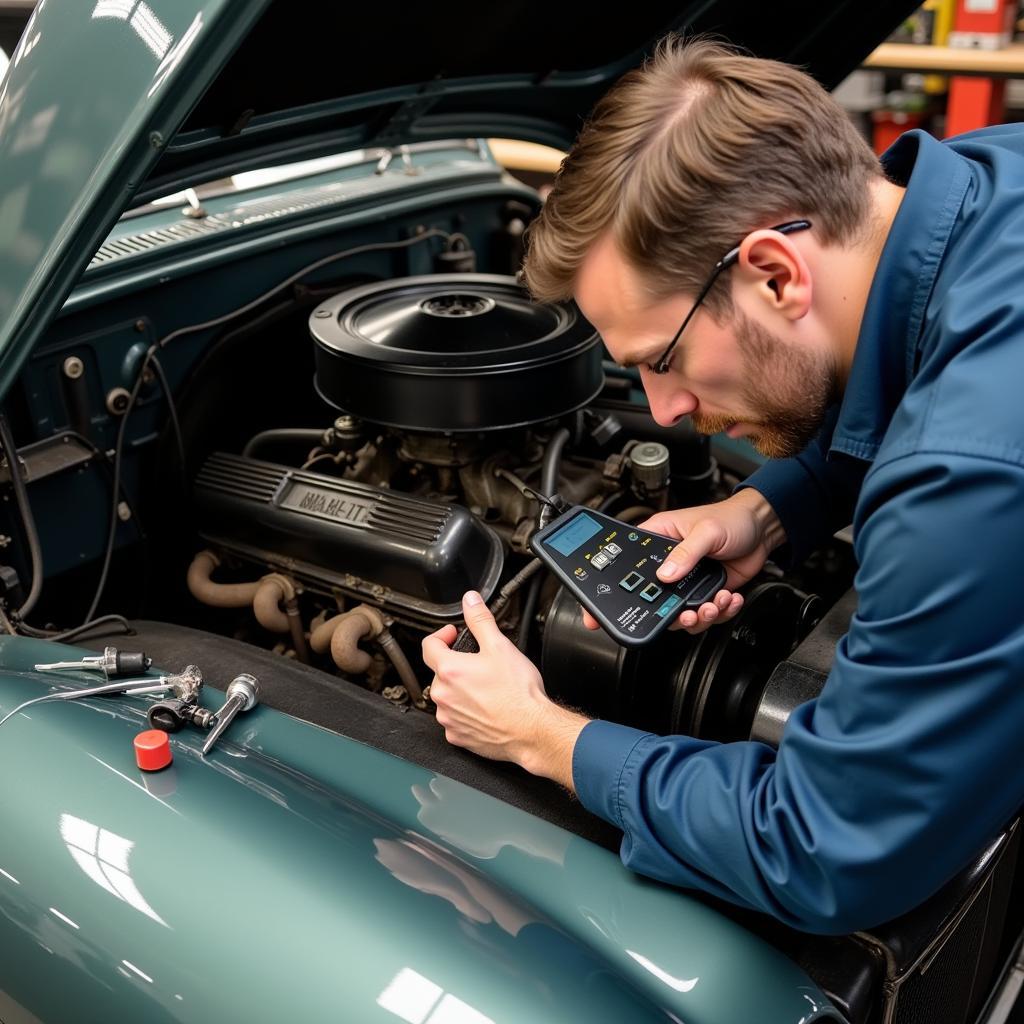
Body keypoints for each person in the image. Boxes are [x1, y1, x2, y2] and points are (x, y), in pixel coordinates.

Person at [421, 35, 1024, 934]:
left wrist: (542, 736)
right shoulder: (992, 171)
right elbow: (893, 359)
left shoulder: (965, 477)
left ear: (774, 273)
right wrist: (770, 509)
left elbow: (824, 847)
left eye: (661, 361)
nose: (663, 412)